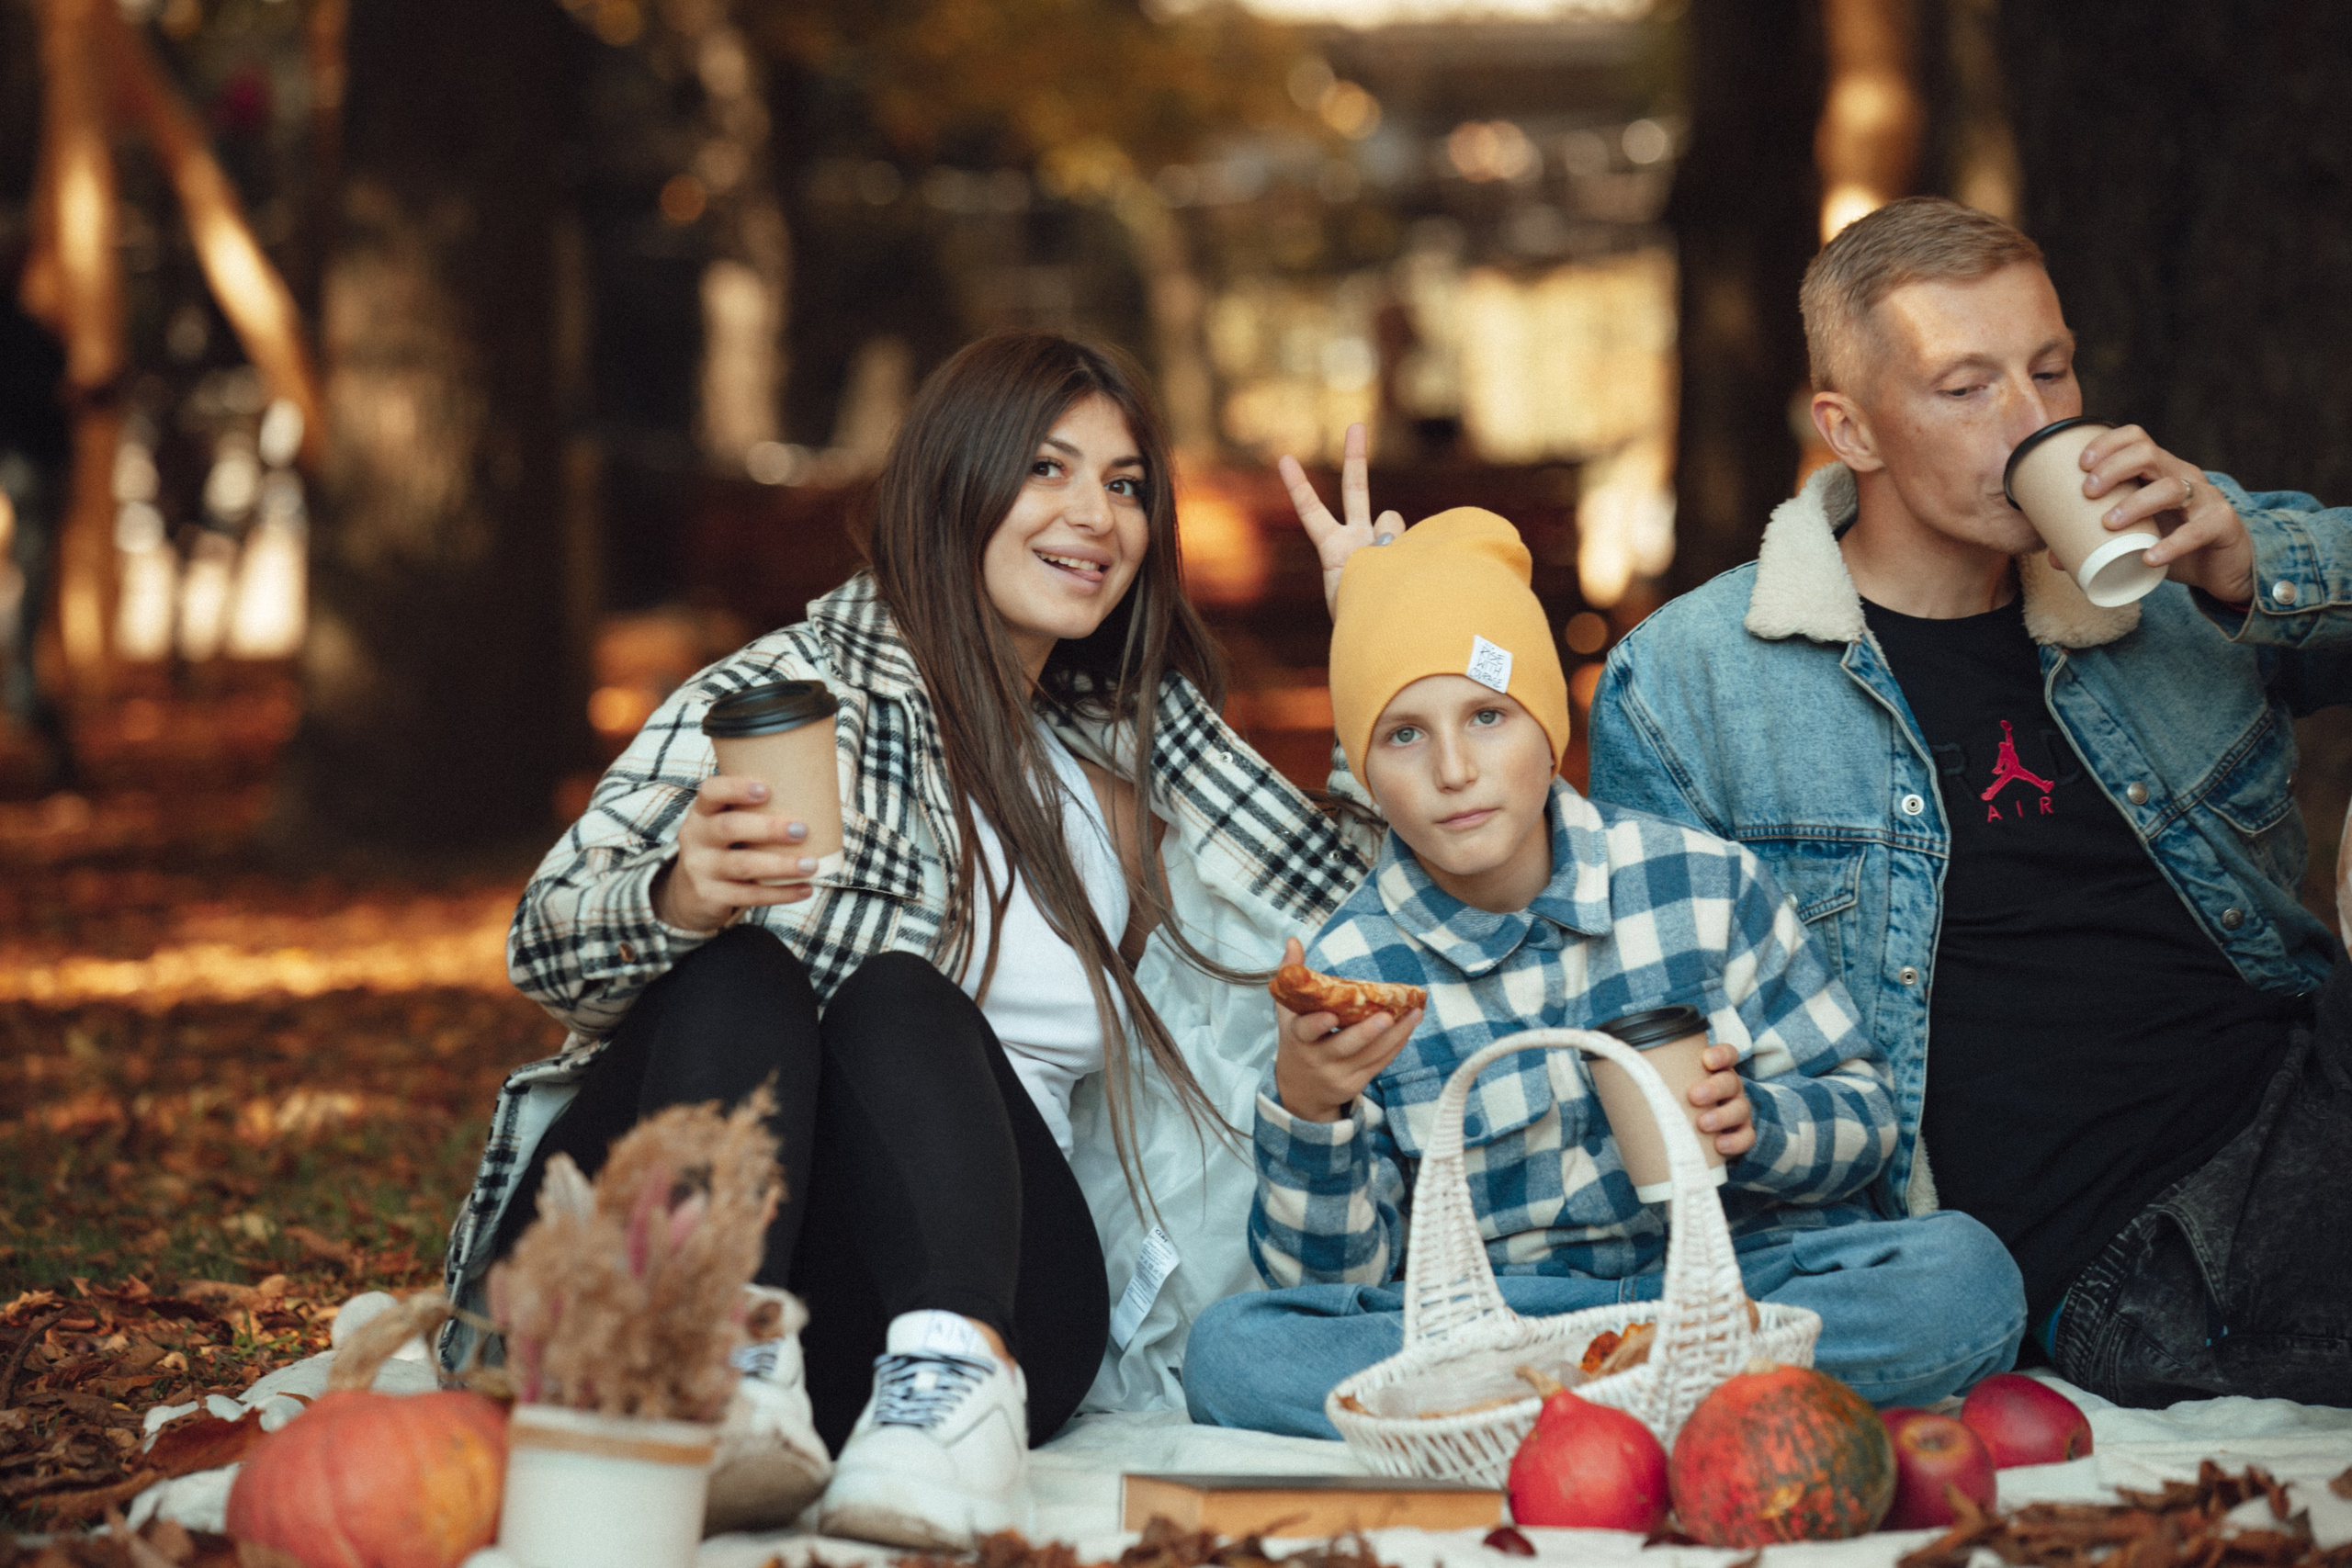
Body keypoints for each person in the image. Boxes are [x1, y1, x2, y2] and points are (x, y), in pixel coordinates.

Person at [439, 333, 1383, 1548]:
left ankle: (946, 1394)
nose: (1093, 513)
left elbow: (1356, 898)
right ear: (956, 480)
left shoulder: (1139, 745)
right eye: (1047, 469)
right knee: (750, 972)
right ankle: (718, 1362)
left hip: (975, 1307)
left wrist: (1372, 631)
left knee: (901, 1000)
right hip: (659, 1289)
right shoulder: (786, 692)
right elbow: (543, 946)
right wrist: (679, 893)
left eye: (1126, 483)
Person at [1588, 196, 2352, 1408]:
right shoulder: (1690, 685)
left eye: (2051, 369)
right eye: (1967, 386)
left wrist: (2247, 558)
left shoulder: (2172, 583)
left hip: (2307, 1099)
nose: (2038, 420)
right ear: (1853, 429)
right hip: (2130, 1254)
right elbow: (1659, 1055)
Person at [1182, 508, 2024, 1438]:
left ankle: (1555, 1420)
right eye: (1403, 736)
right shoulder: (1354, 968)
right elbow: (1333, 1289)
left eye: (1488, 716)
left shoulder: (1703, 884)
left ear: (1548, 730)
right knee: (1233, 1354)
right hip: (1510, 1323)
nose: (1454, 769)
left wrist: (1759, 1124)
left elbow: (1866, 1120)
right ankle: (1682, 1401)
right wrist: (1311, 1111)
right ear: (1366, 775)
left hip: (1738, 1286)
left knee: (1965, 1278)